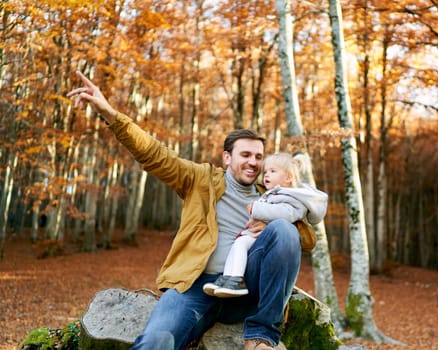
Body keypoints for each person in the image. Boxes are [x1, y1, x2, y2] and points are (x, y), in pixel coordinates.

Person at [67, 71, 317, 350]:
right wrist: (110, 113)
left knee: (283, 229)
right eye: (245, 155)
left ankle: (261, 336)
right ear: (227, 157)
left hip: (248, 291)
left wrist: (275, 226)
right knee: (155, 342)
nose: (253, 163)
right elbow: (155, 155)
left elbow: (307, 241)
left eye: (258, 157)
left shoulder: (271, 197)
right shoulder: (201, 180)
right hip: (196, 287)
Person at [203, 153, 327, 298]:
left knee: (241, 244)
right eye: (266, 171)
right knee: (239, 244)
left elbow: (286, 214)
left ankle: (236, 280)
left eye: (273, 171)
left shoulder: (293, 197)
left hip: (270, 241)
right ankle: (228, 278)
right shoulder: (272, 194)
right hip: (257, 235)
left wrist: (257, 209)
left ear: (288, 177)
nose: (266, 175)